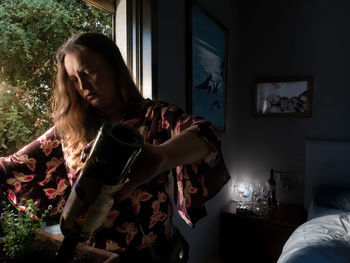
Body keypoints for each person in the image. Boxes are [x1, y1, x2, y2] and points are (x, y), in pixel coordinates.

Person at [0, 32, 230, 262]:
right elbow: (9, 170)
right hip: (95, 257)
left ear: (114, 66)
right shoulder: (68, 131)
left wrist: (164, 156)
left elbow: (205, 133)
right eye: (73, 80)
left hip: (152, 255)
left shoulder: (154, 117)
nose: (82, 86)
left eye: (88, 72)